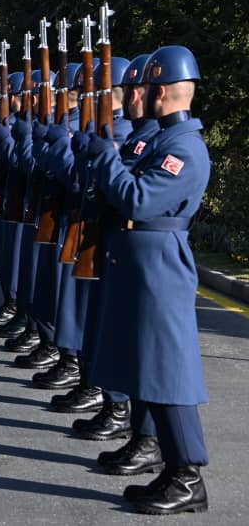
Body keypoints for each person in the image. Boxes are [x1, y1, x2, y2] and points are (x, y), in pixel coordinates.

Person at [85, 45, 210, 515]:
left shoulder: (184, 149)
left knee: (169, 375)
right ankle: (167, 466)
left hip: (159, 266)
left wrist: (108, 160)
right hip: (138, 264)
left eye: (146, 88)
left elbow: (138, 199)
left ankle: (187, 476)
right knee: (147, 372)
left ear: (161, 92)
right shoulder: (160, 141)